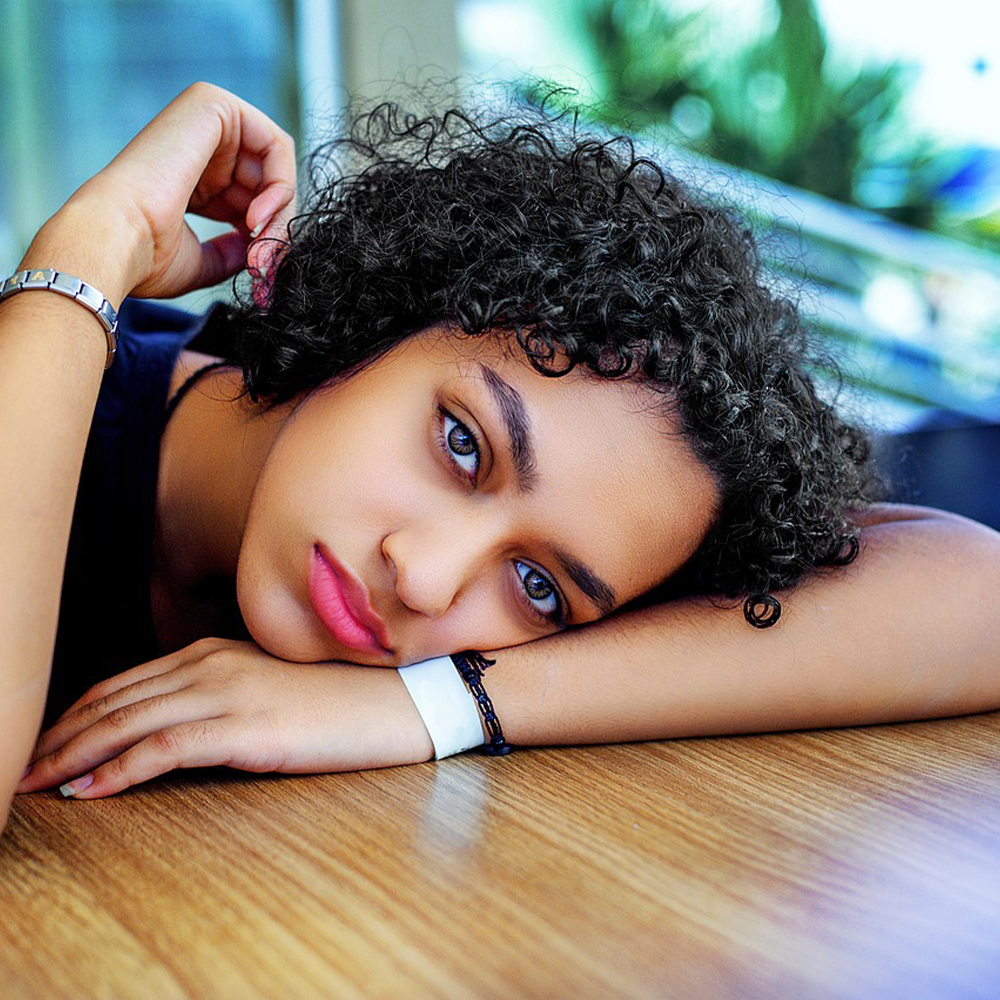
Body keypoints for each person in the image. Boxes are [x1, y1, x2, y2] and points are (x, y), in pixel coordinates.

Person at [3, 84, 998, 831]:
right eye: (460, 443)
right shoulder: (50, 383)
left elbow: (976, 599)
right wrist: (95, 247)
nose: (426, 578)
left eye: (535, 583)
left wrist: (433, 703)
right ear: (378, 320)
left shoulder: (457, 646)